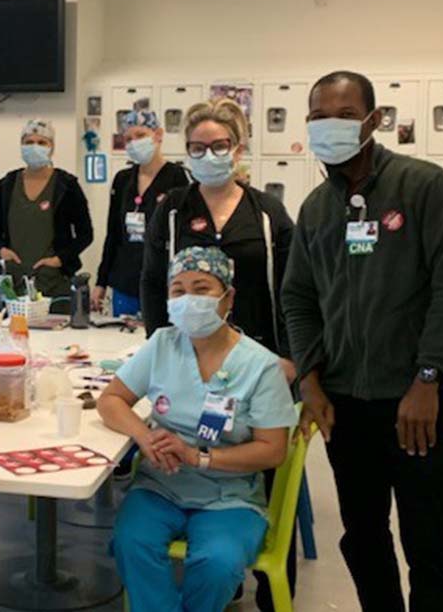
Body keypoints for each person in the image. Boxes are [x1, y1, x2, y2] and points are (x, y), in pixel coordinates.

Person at [283, 70, 443, 611]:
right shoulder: (316, 209)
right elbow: (298, 298)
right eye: (319, 115)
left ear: (374, 121)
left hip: (417, 402)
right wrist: (310, 379)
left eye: (345, 115)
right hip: (346, 404)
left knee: (429, 542)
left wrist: (428, 377)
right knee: (363, 538)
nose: (331, 125)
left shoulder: (422, 186)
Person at [140, 98, 298, 609]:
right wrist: (159, 350)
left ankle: (270, 591)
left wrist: (291, 358)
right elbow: (151, 284)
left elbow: (295, 291)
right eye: (197, 147)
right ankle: (214, 581)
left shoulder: (267, 213)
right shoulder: (171, 210)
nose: (209, 154)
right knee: (188, 457)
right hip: (192, 357)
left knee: (265, 476)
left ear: (239, 148)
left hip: (261, 365)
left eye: (219, 145)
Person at [98, 246, 298, 612]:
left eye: (201, 288)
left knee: (218, 562)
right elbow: (110, 400)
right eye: (178, 290)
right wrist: (144, 436)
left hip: (229, 495)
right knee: (132, 543)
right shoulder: (161, 345)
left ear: (228, 297)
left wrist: (198, 457)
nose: (188, 299)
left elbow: (273, 449)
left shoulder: (261, 367)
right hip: (161, 485)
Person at [0, 119, 94, 309]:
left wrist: (60, 259)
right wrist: (1, 249)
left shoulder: (66, 186)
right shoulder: (7, 185)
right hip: (14, 285)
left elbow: (86, 234)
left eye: (42, 142)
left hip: (54, 283)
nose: (34, 147)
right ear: (21, 145)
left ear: (52, 147)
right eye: (29, 142)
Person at [94, 108, 190, 316]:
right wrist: (101, 282)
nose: (133, 143)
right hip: (125, 282)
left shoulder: (177, 178)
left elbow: (184, 236)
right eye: (128, 139)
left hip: (163, 281)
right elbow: (113, 234)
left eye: (140, 136)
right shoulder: (123, 180)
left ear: (158, 135)